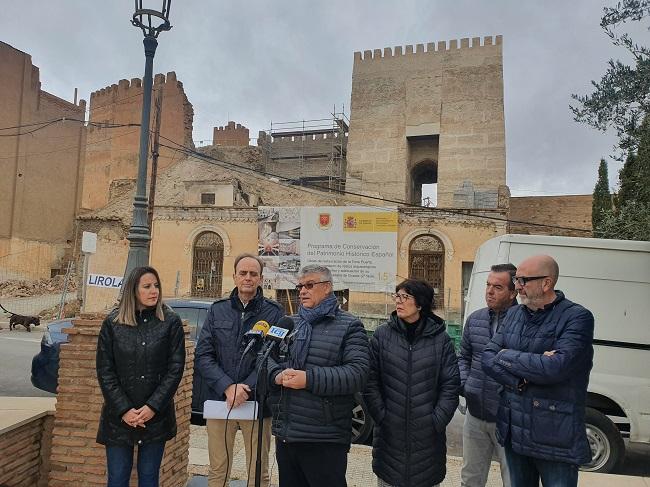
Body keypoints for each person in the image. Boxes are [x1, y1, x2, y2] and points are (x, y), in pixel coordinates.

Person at [482, 255, 594, 487]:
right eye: (516, 279)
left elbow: (555, 368)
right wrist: (519, 380)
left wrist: (506, 355)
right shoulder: (514, 314)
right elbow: (487, 358)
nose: (517, 286)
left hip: (555, 434)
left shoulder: (577, 317)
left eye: (523, 280)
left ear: (546, 283)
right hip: (515, 430)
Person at [266, 265, 369, 487]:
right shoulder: (288, 323)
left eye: (309, 285)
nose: (302, 291)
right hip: (287, 434)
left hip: (325, 439)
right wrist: (276, 375)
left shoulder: (350, 325)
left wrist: (308, 379)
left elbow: (357, 373)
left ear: (327, 288)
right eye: (300, 286)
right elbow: (264, 357)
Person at [195, 253, 284, 487]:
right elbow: (204, 355)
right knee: (217, 471)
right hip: (220, 401)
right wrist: (227, 387)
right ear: (234, 276)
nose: (248, 278)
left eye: (253, 274)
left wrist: (245, 388)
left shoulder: (274, 313)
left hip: (256, 402)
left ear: (261, 278)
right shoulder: (217, 310)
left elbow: (273, 357)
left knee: (258, 474)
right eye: (243, 273)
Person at [364, 278, 460, 487]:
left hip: (428, 441)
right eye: (397, 296)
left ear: (420, 303)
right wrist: (381, 415)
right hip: (390, 437)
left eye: (405, 297)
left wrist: (436, 420)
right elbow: (371, 381)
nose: (398, 301)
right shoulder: (382, 336)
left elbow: (450, 385)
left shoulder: (440, 339)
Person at [96, 266, 186, 487]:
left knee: (148, 478)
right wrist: (124, 409)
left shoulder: (170, 322)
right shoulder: (113, 323)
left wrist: (152, 407)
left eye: (156, 285)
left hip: (155, 417)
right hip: (119, 417)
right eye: (147, 286)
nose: (154, 290)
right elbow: (105, 370)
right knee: (117, 479)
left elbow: (175, 369)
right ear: (133, 291)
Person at [459, 264, 517, 487]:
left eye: (498, 287)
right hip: (475, 415)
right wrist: (466, 385)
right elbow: (463, 357)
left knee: (513, 480)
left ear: (513, 292)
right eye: (488, 285)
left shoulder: (523, 323)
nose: (489, 291)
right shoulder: (475, 319)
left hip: (509, 419)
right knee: (470, 479)